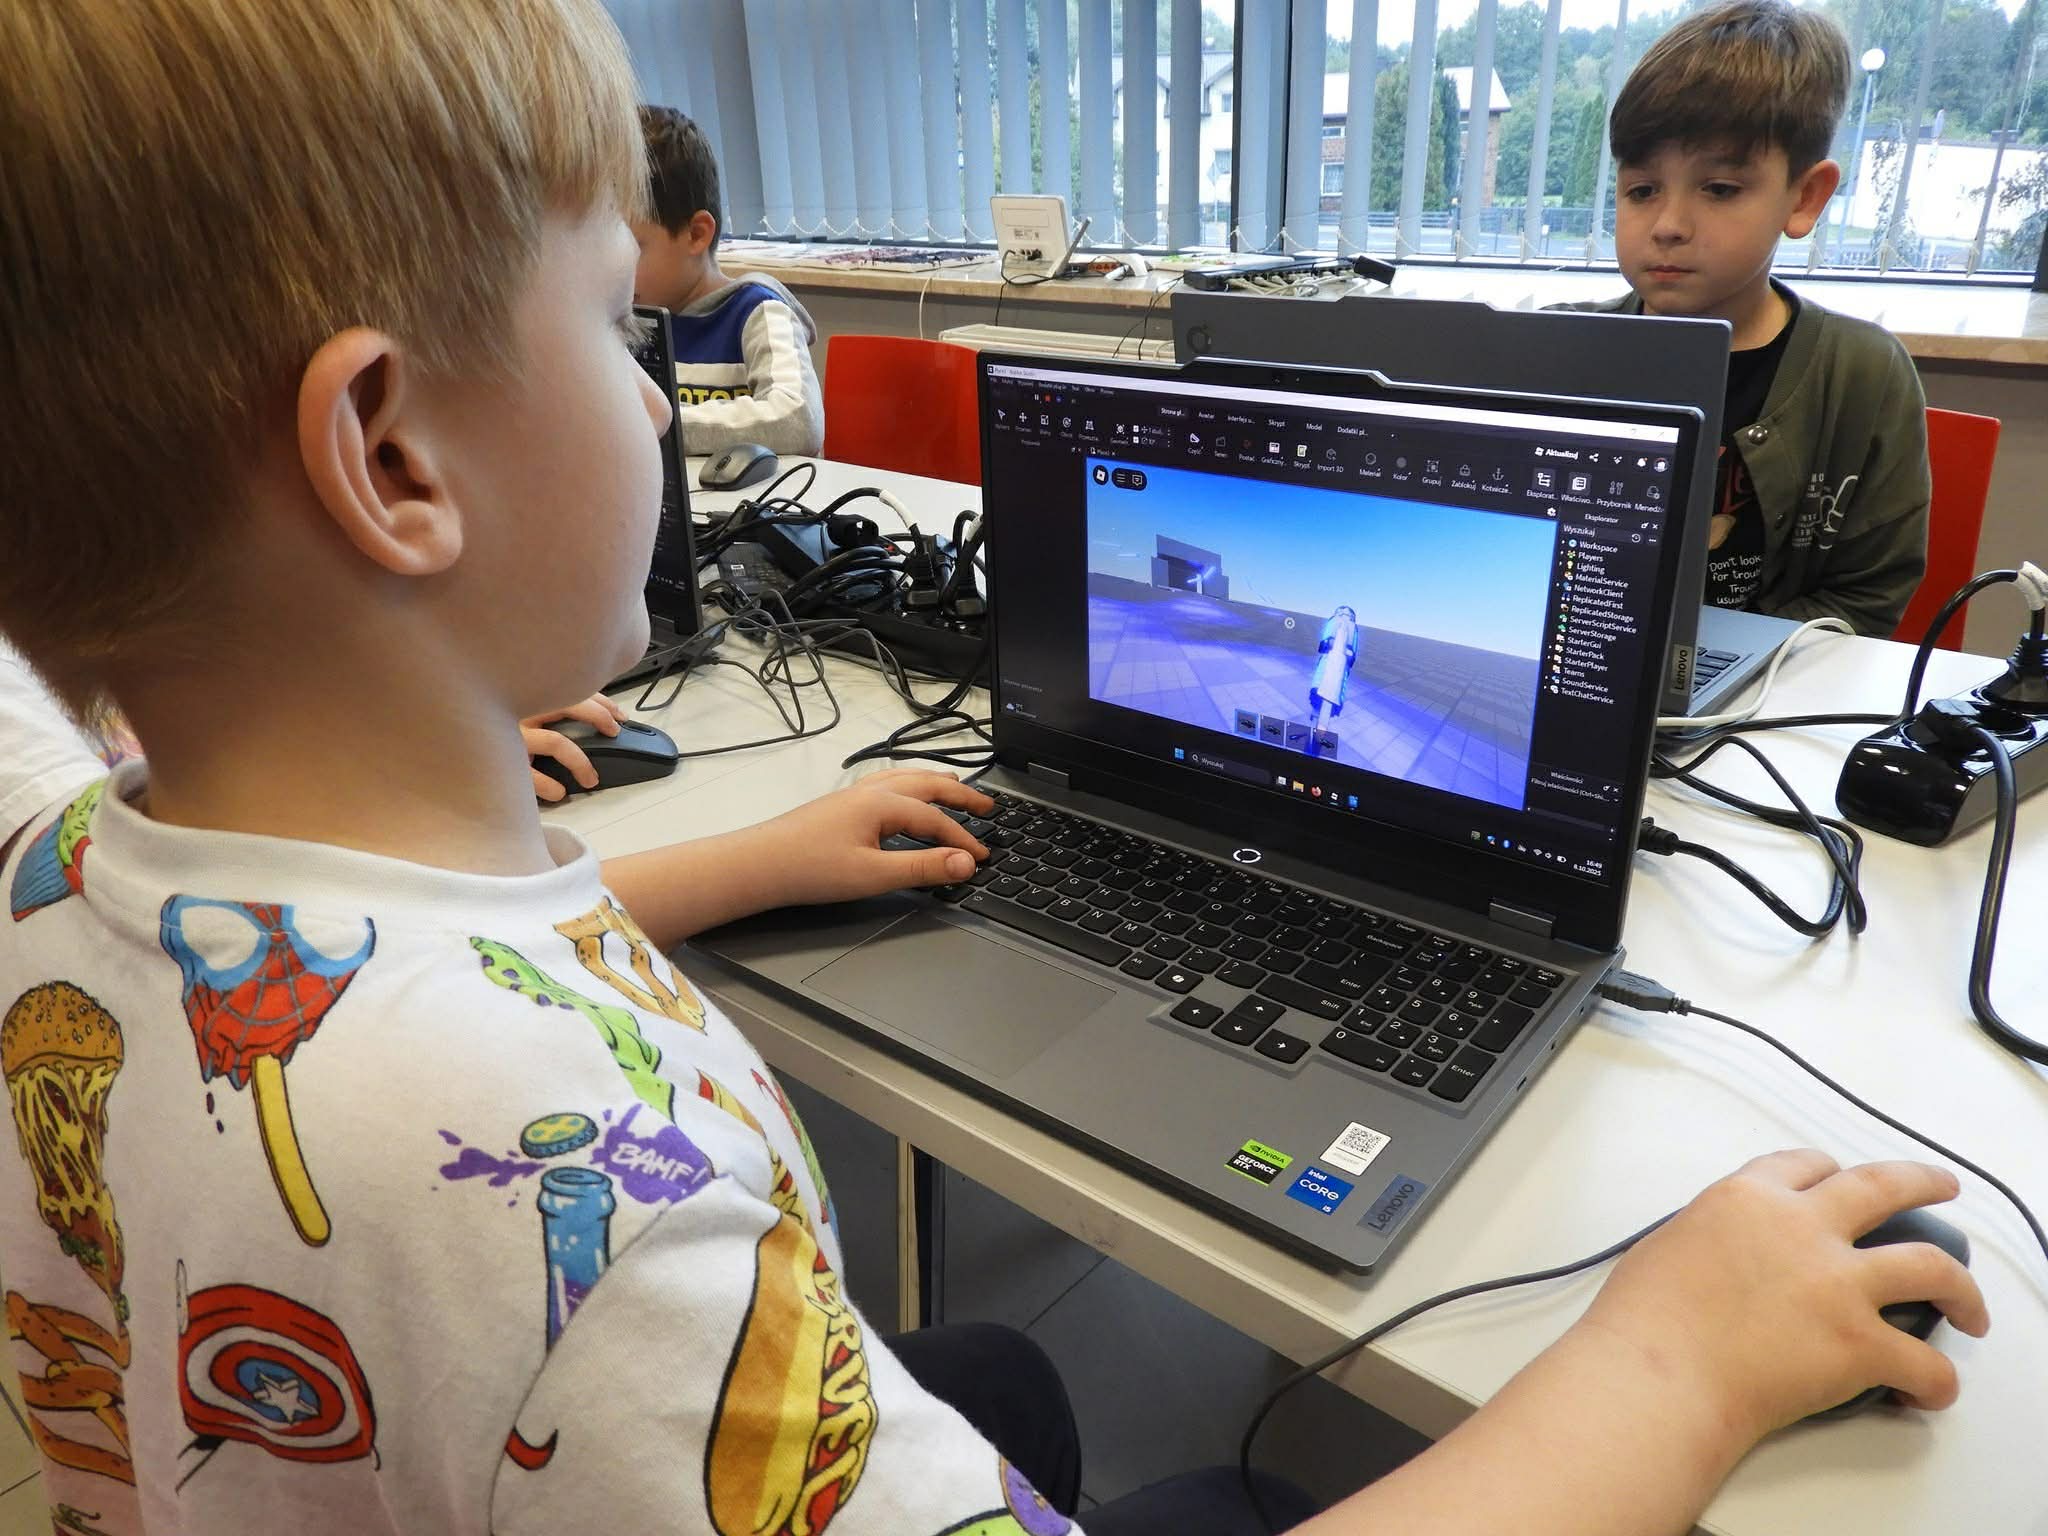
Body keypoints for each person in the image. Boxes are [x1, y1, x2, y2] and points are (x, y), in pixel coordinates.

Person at [0, 3, 1985, 1533]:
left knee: (998, 1387)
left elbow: (332, 981)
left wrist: (731, 862)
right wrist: (1666, 1360)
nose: (658, 390)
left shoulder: (58, 884)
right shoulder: (575, 1203)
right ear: (390, 459)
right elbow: (471, 1124)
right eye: (617, 323)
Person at [1555, 0, 1931, 637]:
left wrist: (1719, 667)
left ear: (1804, 198)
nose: (1668, 225)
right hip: (1589, 657)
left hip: (1776, 680)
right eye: (1642, 190)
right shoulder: (1562, 347)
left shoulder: (1864, 374)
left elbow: (1867, 598)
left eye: (1720, 189)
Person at [633, 105, 826, 455]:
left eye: (634, 247)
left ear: (696, 234)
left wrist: (657, 424)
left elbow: (799, 421)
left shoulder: (758, 313)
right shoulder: (628, 321)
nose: (617, 266)